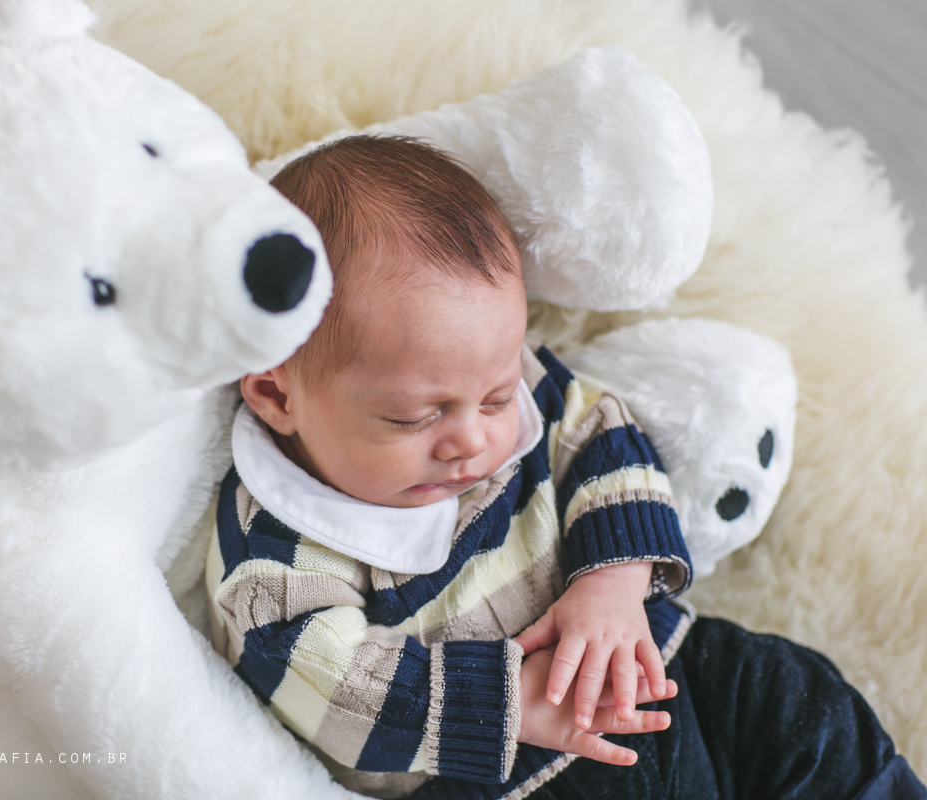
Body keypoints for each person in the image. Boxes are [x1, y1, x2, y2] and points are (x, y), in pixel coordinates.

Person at [206, 135, 925, 800]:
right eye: (415, 417)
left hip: (658, 666)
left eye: (492, 396)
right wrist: (515, 698)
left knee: (792, 694)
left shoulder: (511, 390)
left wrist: (610, 586)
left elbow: (603, 438)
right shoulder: (274, 553)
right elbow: (332, 685)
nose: (471, 441)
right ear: (277, 394)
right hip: (508, 774)